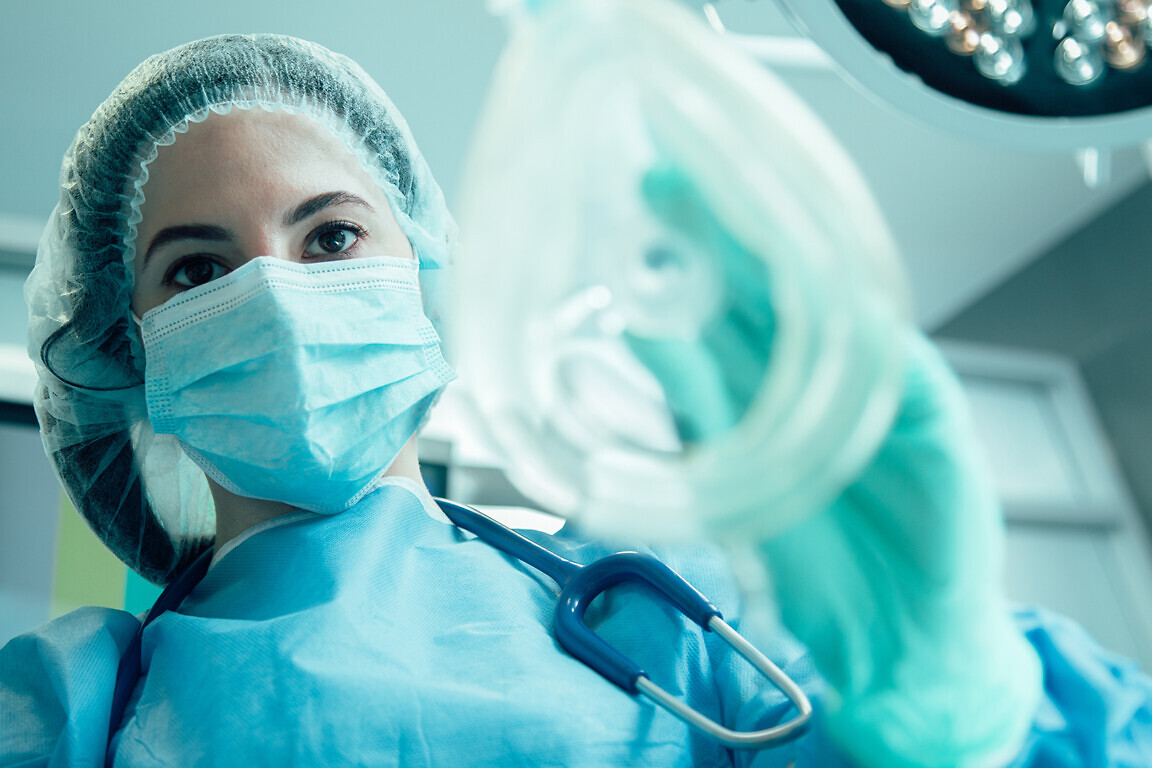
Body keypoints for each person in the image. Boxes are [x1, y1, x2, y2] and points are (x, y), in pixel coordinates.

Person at [1, 33, 1150, 768]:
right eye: (198, 272)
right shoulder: (76, 707)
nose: (279, 297)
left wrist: (951, 713)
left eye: (334, 235)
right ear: (128, 354)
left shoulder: (666, 621)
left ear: (425, 279)